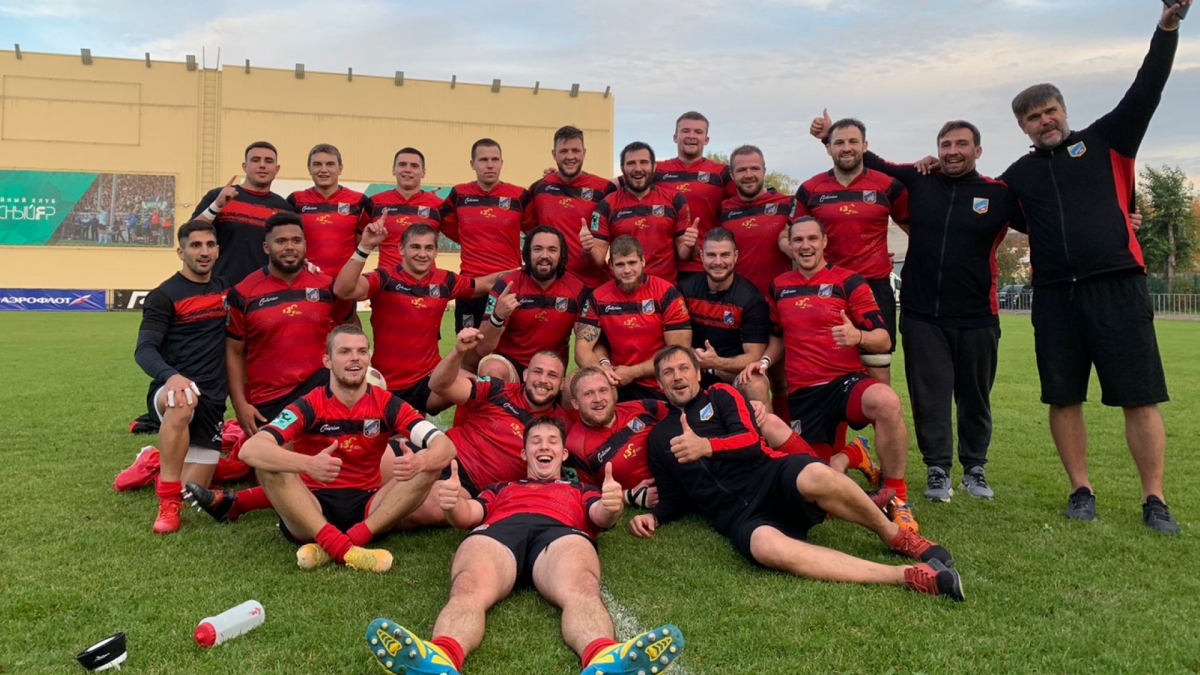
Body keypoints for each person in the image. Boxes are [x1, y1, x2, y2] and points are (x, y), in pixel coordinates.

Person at [997, 0, 1190, 532]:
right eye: (1033, 118)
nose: (1044, 121)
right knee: (1063, 397)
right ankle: (1080, 490)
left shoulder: (1108, 139)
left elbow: (1147, 88)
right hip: (1055, 296)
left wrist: (1166, 27)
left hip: (1117, 287)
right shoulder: (1017, 176)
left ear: (1063, 109)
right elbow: (983, 205)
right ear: (1023, 127)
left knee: (1140, 397)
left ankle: (1154, 499)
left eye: (1049, 111)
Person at [635, 346, 963, 601]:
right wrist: (656, 516)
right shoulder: (659, 438)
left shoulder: (721, 394)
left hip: (768, 476)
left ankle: (895, 536)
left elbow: (750, 441)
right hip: (736, 515)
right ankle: (905, 575)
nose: (677, 377)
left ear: (697, 373)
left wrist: (707, 446)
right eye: (668, 373)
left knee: (816, 473)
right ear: (660, 384)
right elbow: (675, 497)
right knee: (765, 548)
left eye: (683, 368)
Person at [363, 416, 686, 675]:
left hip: (561, 533)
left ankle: (603, 658)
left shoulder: (580, 489)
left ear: (563, 453)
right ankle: (440, 659)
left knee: (582, 587)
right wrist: (452, 504)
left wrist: (612, 506)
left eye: (552, 441)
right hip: (499, 532)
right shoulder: (500, 487)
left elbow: (599, 516)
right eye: (535, 441)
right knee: (468, 587)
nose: (544, 446)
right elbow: (468, 515)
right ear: (523, 453)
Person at [809, 113, 1020, 502]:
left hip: (977, 313)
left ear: (978, 150)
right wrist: (829, 135)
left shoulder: (999, 193)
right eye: (946, 145)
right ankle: (937, 469)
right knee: (929, 396)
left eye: (961, 144)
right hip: (922, 312)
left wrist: (1123, 216)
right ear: (936, 150)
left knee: (975, 396)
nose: (952, 151)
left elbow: (1042, 220)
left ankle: (974, 467)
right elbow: (869, 161)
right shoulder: (919, 181)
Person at [740, 217, 917, 531]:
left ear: (824, 242)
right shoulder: (779, 286)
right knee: (820, 495)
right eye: (798, 240)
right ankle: (852, 454)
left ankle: (897, 499)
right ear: (790, 246)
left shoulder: (849, 281)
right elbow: (778, 337)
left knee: (886, 401)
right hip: (804, 393)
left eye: (812, 239)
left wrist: (857, 336)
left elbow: (883, 339)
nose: (805, 246)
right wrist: (764, 362)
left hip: (845, 382)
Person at [237, 325, 456, 571]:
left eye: (362, 351)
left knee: (431, 463)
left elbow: (445, 446)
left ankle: (341, 544)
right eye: (344, 352)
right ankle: (342, 546)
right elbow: (250, 450)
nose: (355, 358)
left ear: (369, 359)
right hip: (311, 509)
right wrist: (307, 464)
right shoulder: (309, 404)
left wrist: (419, 462)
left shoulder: (387, 404)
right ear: (327, 361)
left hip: (368, 508)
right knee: (268, 464)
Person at [334, 221, 498, 415]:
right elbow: (343, 290)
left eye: (429, 248)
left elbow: (486, 283)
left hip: (430, 381)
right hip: (387, 383)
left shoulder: (446, 280)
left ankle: (465, 434)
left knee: (489, 390)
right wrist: (365, 247)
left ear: (436, 252)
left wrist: (524, 271)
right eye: (415, 247)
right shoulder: (384, 278)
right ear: (401, 249)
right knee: (398, 434)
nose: (422, 254)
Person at [133, 220, 229, 534]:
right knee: (182, 400)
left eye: (210, 245)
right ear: (181, 251)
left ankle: (153, 460)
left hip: (212, 400)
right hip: (171, 392)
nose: (204, 252)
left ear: (217, 250)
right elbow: (144, 349)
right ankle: (167, 504)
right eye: (195, 245)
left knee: (193, 491)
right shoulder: (164, 295)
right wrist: (171, 376)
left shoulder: (227, 290)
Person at [795, 120, 908, 385]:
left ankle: (878, 412)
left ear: (865, 146)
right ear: (828, 148)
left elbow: (915, 231)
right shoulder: (810, 189)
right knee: (826, 368)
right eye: (839, 142)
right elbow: (789, 237)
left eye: (853, 141)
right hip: (827, 289)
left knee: (876, 366)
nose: (846, 148)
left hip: (874, 287)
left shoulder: (888, 186)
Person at [226, 212, 353, 436]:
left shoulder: (326, 286)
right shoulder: (243, 292)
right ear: (266, 247)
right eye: (281, 241)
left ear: (305, 244)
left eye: (296, 240)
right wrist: (240, 404)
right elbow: (233, 352)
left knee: (333, 453)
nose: (290, 247)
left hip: (321, 390)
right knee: (274, 456)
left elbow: (350, 326)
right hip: (270, 399)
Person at [574, 235, 693, 402]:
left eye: (632, 263)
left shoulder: (666, 294)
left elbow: (678, 352)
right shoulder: (598, 297)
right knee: (571, 384)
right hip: (616, 380)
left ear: (643, 261)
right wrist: (601, 370)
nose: (627, 270)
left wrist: (633, 372)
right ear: (611, 266)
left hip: (659, 382)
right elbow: (582, 349)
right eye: (620, 265)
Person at [440, 138, 534, 331]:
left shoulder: (519, 195)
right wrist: (470, 239)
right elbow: (443, 224)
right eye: (483, 160)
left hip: (509, 286)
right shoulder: (459, 194)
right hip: (471, 288)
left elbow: (534, 234)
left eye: (495, 159)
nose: (490, 165)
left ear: (502, 163)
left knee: (510, 346)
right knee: (468, 344)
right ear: (472, 163)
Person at [475, 226, 590, 379]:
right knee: (491, 369)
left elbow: (587, 344)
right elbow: (482, 348)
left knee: (582, 381)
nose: (544, 255)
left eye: (552, 250)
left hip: (551, 370)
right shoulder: (507, 286)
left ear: (561, 254)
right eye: (537, 249)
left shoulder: (578, 290)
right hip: (512, 367)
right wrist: (497, 317)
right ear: (527, 253)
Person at [584, 142, 698, 283]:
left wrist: (692, 246)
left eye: (644, 162)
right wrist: (588, 250)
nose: (638, 169)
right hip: (623, 287)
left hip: (663, 288)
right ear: (622, 168)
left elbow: (685, 255)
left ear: (654, 167)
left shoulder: (675, 200)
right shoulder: (605, 205)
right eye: (631, 163)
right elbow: (597, 259)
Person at [678, 227, 770, 390]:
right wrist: (699, 361)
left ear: (736, 256)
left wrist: (716, 363)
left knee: (756, 383)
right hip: (691, 368)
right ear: (702, 256)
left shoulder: (750, 299)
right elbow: (676, 340)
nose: (718, 262)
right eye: (711, 255)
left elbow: (754, 356)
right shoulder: (685, 290)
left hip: (731, 373)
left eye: (725, 255)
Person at [566, 367, 671, 506]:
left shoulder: (644, 407)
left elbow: (683, 415)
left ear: (612, 392)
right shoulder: (574, 446)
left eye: (603, 390)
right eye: (588, 394)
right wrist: (629, 496)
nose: (598, 399)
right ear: (575, 403)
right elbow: (583, 495)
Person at [527, 125, 616, 288]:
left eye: (575, 150)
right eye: (563, 151)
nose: (570, 156)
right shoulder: (538, 188)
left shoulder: (604, 189)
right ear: (554, 154)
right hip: (552, 285)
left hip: (592, 285)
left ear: (584, 153)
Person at [192, 141, 293, 284]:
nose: (262, 165)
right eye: (255, 160)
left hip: (266, 290)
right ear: (244, 166)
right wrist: (216, 206)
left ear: (277, 169)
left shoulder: (284, 208)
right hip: (221, 288)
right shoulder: (219, 196)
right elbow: (190, 233)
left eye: (268, 161)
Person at [654, 111, 734, 284]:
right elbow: (614, 185)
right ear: (675, 137)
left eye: (698, 132)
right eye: (686, 131)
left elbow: (750, 196)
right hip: (662, 268)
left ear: (706, 139)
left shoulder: (721, 172)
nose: (691, 136)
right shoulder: (656, 170)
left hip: (705, 266)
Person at [718, 145, 796, 298]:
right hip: (737, 300)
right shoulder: (723, 209)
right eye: (741, 170)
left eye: (754, 168)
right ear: (732, 174)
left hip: (778, 298)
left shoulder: (788, 204)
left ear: (764, 170)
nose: (749, 175)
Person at [287, 143, 372, 279]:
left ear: (340, 168)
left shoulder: (359, 201)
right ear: (309, 169)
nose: (323, 170)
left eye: (330, 164)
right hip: (306, 280)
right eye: (317, 164)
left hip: (345, 282)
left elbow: (363, 243)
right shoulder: (296, 200)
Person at [370, 147, 445, 271]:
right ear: (393, 170)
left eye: (414, 166)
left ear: (423, 172)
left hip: (425, 280)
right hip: (387, 279)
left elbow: (464, 238)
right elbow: (357, 242)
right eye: (402, 164)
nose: (408, 170)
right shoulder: (374, 202)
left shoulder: (438, 205)